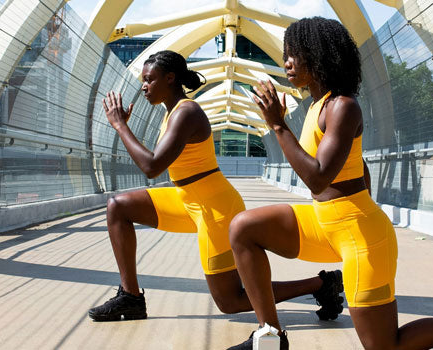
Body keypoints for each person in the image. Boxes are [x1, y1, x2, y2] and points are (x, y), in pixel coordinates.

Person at [227, 18, 433, 350]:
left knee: (384, 346)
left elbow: (318, 178)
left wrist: (277, 125)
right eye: (286, 54)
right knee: (243, 228)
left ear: (318, 55)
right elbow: (360, 169)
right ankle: (271, 336)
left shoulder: (343, 106)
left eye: (295, 53)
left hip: (359, 235)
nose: (286, 62)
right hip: (324, 223)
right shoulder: (317, 106)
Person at [88, 50, 345, 323]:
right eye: (143, 80)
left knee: (230, 301)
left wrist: (119, 126)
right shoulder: (171, 112)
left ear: (170, 78)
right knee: (118, 208)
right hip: (187, 199)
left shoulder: (187, 112)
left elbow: (152, 166)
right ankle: (131, 297)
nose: (144, 86)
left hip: (215, 208)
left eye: (150, 80)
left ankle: (320, 284)